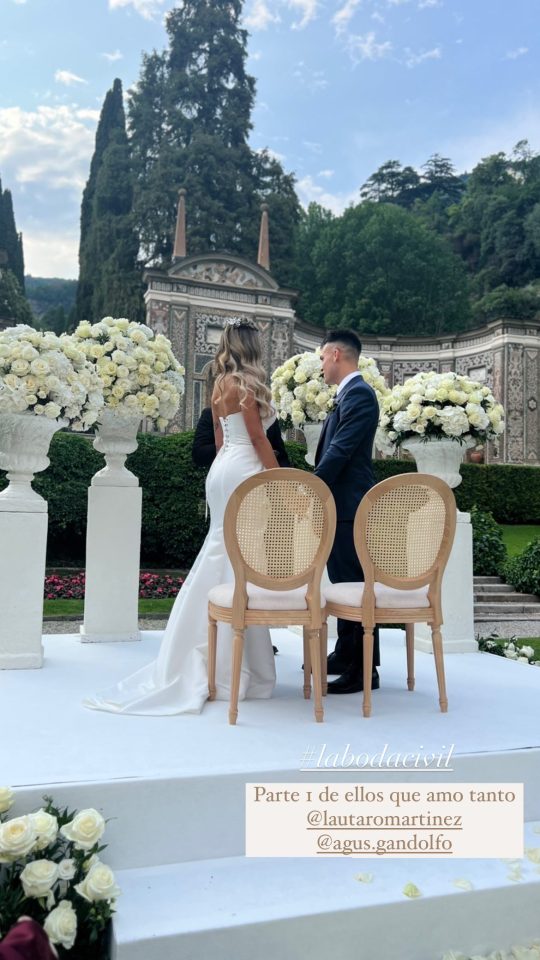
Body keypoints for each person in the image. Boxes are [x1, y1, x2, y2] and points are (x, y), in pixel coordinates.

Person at [84, 319, 279, 715]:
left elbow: (223, 440)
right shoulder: (246, 384)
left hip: (223, 469)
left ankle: (205, 646)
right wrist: (278, 482)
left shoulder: (221, 383)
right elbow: (258, 439)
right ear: (253, 348)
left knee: (222, 553)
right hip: (245, 469)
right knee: (238, 559)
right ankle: (228, 656)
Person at [314, 329, 381, 694]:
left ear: (337, 354)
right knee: (344, 582)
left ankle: (364, 670)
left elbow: (338, 452)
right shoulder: (350, 395)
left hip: (350, 506)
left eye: (323, 357)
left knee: (355, 587)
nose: (321, 365)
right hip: (341, 505)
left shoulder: (360, 395)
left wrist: (311, 488)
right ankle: (346, 652)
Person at [192, 406, 290, 468]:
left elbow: (282, 456)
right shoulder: (210, 414)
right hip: (228, 478)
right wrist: (236, 447)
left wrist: (284, 484)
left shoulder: (267, 416)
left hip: (266, 484)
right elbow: (199, 455)